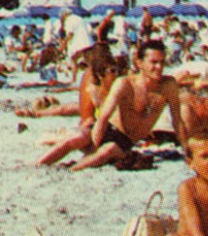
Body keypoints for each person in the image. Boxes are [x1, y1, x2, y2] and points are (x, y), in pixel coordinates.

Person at [72, 39, 180, 170]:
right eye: (154, 62)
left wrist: (187, 148)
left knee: (105, 149)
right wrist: (93, 149)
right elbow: (103, 118)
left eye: (162, 62)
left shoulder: (168, 85)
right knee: (74, 138)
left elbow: (177, 121)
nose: (159, 67)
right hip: (105, 130)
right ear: (140, 63)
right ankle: (47, 168)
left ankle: (71, 170)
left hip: (122, 141)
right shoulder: (124, 83)